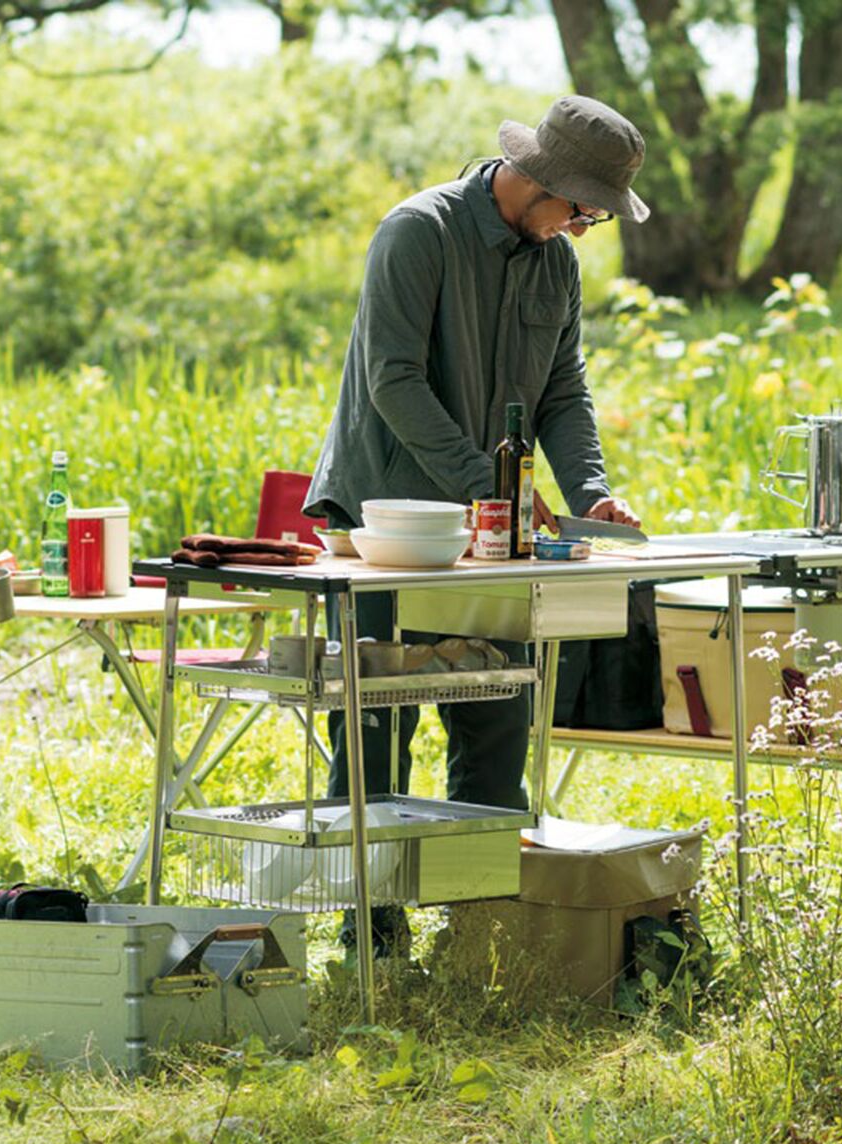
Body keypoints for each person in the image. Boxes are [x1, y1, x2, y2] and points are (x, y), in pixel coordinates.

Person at [304, 95, 648, 958]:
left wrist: (591, 492)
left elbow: (562, 393)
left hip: (493, 538)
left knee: (496, 722)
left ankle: (483, 930)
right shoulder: (417, 233)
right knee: (378, 725)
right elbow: (393, 381)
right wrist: (487, 486)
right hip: (386, 524)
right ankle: (372, 933)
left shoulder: (555, 264)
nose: (583, 226)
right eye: (583, 209)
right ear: (542, 182)